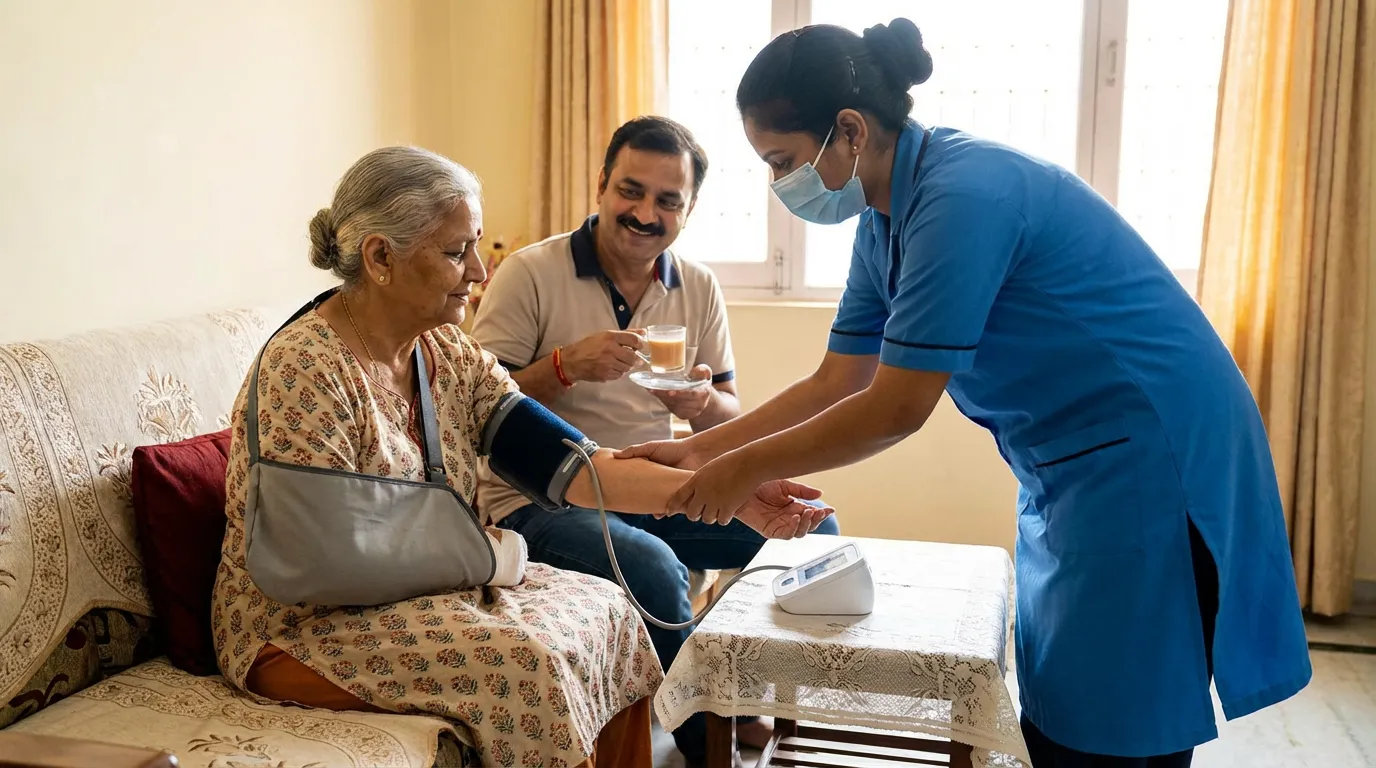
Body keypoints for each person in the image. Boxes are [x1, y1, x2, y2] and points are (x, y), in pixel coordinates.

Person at [618, 18, 1313, 768]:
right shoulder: (885, 218)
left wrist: (740, 470)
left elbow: (894, 408)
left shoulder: (963, 195)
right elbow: (836, 379)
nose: (779, 183)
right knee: (1061, 696)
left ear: (848, 131)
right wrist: (695, 452)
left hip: (1148, 444)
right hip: (1070, 458)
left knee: (1120, 714)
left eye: (782, 160)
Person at [211, 146, 833, 768]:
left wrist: (729, 490)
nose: (479, 270)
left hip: (414, 597)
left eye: (475, 245)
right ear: (380, 257)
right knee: (527, 667)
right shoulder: (305, 368)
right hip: (297, 630)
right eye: (457, 252)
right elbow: (315, 562)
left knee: (608, 614)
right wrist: (488, 557)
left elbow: (580, 467)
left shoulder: (449, 356)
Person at [471, 115, 840, 763]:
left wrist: (699, 405)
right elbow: (471, 408)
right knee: (652, 567)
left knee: (808, 533)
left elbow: (728, 415)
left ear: (688, 210)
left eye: (668, 201)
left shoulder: (695, 286)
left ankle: (741, 691)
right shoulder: (529, 274)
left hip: (655, 483)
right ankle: (710, 743)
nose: (645, 213)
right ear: (600, 187)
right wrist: (565, 367)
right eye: (630, 191)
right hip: (541, 500)